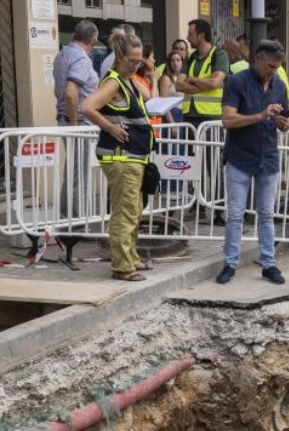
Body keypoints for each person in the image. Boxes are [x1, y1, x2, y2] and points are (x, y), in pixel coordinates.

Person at [215, 39, 289, 286]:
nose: (274, 71)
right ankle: (230, 263)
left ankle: (269, 264)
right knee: (235, 214)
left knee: (267, 214)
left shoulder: (279, 85)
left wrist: (284, 123)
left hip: (268, 157)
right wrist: (260, 115)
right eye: (270, 66)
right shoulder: (237, 81)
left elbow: (285, 121)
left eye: (278, 67)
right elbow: (228, 120)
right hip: (240, 157)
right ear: (257, 59)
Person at [82, 29, 155, 282]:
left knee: (133, 211)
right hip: (121, 157)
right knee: (125, 213)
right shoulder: (113, 82)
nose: (137, 65)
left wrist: (144, 72)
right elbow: (87, 107)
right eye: (133, 60)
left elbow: (148, 96)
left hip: (133, 156)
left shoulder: (127, 80)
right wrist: (111, 127)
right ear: (120, 58)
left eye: (140, 60)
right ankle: (123, 267)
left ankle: (131, 258)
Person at [53, 20, 100, 220]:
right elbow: (71, 93)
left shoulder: (62, 54)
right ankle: (76, 220)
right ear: (94, 40)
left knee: (72, 171)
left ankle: (67, 216)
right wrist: (75, 126)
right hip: (78, 121)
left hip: (66, 118)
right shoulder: (82, 58)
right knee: (79, 175)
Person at [177, 19, 229, 129]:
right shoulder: (190, 57)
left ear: (201, 35)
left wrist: (192, 79)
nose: (187, 38)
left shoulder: (219, 55)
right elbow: (179, 85)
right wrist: (208, 83)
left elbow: (214, 82)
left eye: (190, 34)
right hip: (189, 118)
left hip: (211, 118)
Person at [159, 51, 186, 123]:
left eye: (178, 60)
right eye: (172, 60)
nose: (175, 63)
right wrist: (171, 122)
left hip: (183, 113)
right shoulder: (166, 78)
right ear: (169, 63)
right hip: (172, 113)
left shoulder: (184, 78)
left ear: (182, 62)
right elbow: (163, 102)